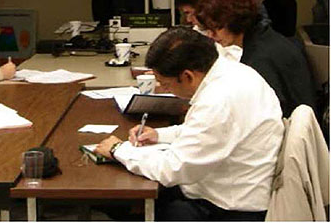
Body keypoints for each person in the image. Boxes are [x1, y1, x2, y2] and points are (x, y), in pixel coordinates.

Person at [95, 27, 284, 221]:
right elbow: (211, 131)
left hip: (228, 209)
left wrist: (118, 150)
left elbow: (173, 170)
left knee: (126, 200)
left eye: (166, 84)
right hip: (229, 187)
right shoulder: (234, 72)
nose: (164, 89)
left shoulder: (218, 100)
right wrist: (160, 135)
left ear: (187, 76)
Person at [196, 0, 316, 117]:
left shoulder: (260, 57)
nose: (210, 35)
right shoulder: (266, 38)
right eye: (207, 29)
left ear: (235, 21)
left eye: (217, 28)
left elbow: (267, 115)